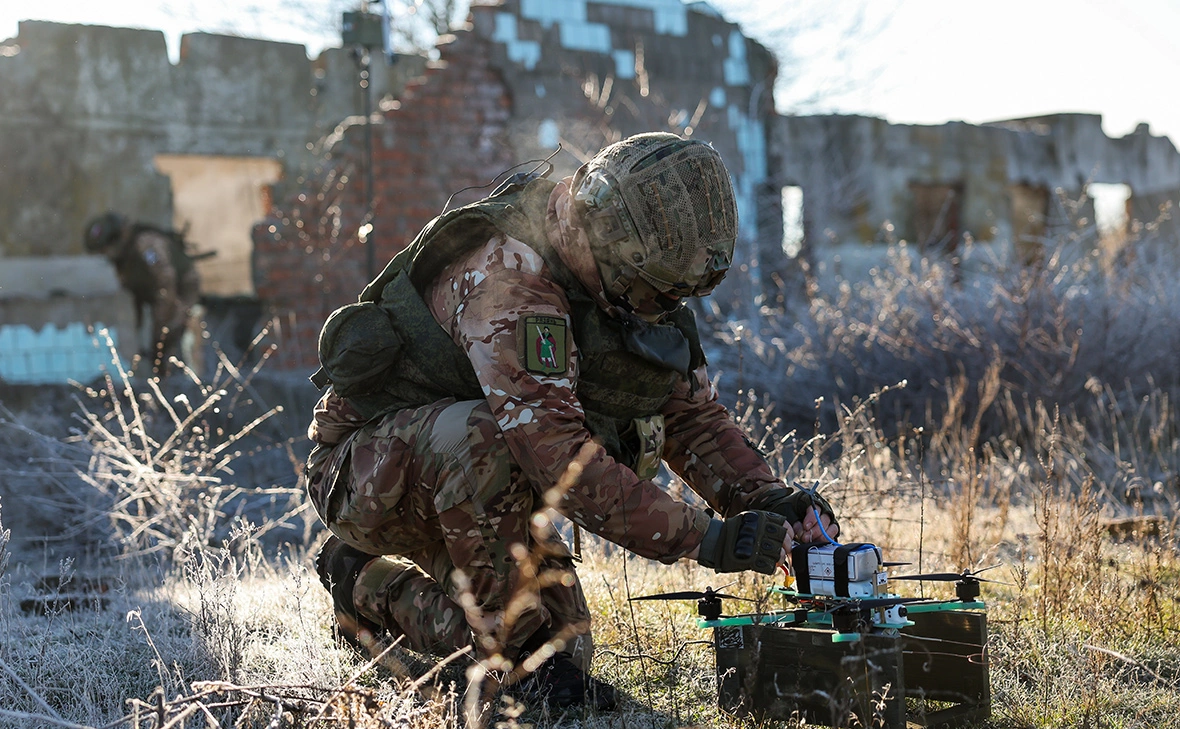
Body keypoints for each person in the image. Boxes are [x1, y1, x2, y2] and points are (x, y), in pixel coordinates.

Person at [306, 133, 840, 710]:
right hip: (367, 475)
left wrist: (766, 499)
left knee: (564, 649)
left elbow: (691, 416)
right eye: (656, 291)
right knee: (484, 448)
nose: (662, 307)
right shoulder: (510, 278)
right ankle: (495, 658)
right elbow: (558, 457)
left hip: (473, 487)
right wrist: (708, 539)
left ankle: (368, 586)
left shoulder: (624, 278)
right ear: (611, 245)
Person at [83, 212, 202, 375]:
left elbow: (166, 283)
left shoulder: (145, 245)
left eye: (105, 249)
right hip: (156, 297)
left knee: (171, 335)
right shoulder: (122, 259)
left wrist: (160, 328)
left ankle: (180, 376)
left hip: (179, 291)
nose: (106, 255)